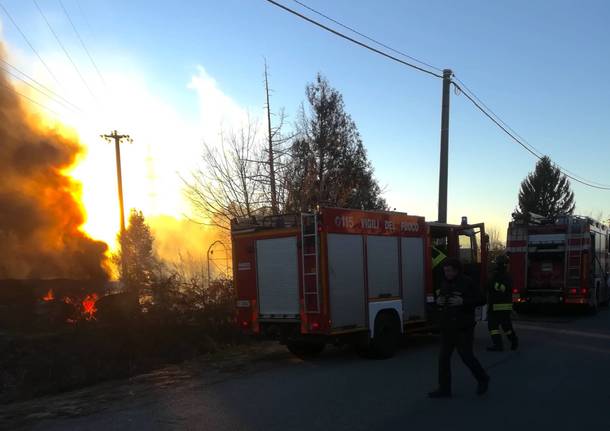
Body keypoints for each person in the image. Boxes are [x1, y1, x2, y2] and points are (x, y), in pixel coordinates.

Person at [429, 258, 489, 398]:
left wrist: (463, 301)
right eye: (445, 271)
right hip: (447, 327)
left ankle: (483, 379)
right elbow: (442, 300)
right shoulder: (444, 283)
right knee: (443, 359)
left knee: (467, 357)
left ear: (456, 270)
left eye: (449, 271)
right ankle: (444, 389)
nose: (447, 273)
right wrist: (439, 302)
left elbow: (482, 299)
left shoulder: (467, 282)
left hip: (463, 328)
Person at [486, 255, 519, 352]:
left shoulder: (497, 275)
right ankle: (513, 340)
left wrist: (491, 284)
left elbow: (499, 287)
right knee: (506, 326)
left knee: (493, 327)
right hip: (504, 306)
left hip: (495, 305)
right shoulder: (507, 275)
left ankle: (498, 345)